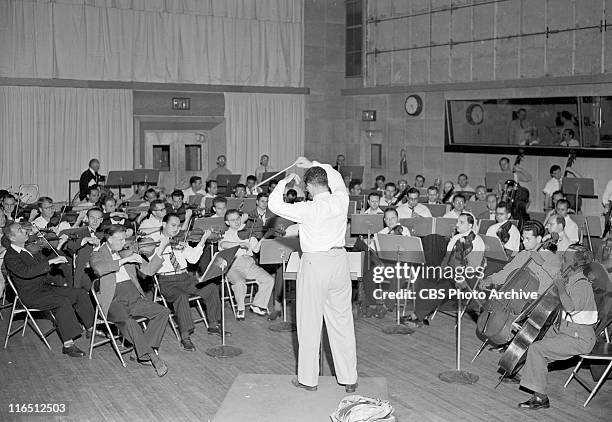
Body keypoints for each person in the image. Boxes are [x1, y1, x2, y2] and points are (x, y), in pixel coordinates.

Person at [268, 157, 358, 393]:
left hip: (315, 264)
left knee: (309, 322)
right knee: (342, 322)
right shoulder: (341, 199)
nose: (305, 191)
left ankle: (308, 379)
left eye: (306, 187)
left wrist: (285, 181)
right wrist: (314, 163)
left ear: (309, 186)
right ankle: (349, 378)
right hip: (340, 262)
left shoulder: (307, 208)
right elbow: (337, 179)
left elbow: (274, 205)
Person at [510, 245, 597, 410]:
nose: (561, 261)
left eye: (565, 259)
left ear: (575, 264)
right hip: (566, 329)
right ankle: (527, 375)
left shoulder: (582, 285)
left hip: (580, 337)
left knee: (537, 349)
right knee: (536, 339)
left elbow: (571, 307)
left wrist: (560, 286)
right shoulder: (570, 278)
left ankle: (540, 398)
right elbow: (554, 273)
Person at [3, 223, 95, 357]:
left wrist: (59, 245)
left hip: (45, 287)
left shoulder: (29, 249)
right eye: (19, 229)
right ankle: (68, 345)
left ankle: (91, 328)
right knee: (62, 302)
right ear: (11, 238)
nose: (24, 230)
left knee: (79, 293)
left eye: (23, 228)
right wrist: (50, 262)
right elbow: (26, 272)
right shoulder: (10, 256)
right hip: (31, 294)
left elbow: (45, 263)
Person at [89, 225, 170, 377]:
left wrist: (160, 250)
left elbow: (149, 271)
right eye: (120, 239)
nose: (124, 242)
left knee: (162, 311)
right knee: (129, 321)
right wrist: (125, 259)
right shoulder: (96, 254)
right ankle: (152, 357)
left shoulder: (127, 251)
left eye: (124, 239)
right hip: (113, 301)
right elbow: (99, 269)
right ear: (109, 239)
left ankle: (138, 351)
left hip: (133, 296)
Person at [148, 214, 226, 351]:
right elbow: (151, 267)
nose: (176, 228)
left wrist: (202, 240)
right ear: (164, 224)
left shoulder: (180, 239)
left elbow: (192, 259)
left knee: (211, 287)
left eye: (178, 226)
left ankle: (213, 325)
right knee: (181, 297)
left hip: (185, 277)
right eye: (173, 225)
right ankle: (185, 337)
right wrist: (162, 246)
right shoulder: (152, 241)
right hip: (167, 281)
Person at [405, 213, 485, 327]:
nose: (457, 225)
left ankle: (417, 316)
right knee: (423, 278)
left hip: (466, 277)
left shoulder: (477, 242)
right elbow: (446, 258)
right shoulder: (456, 238)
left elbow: (473, 266)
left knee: (440, 288)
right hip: (450, 272)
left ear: (470, 225)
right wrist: (441, 271)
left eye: (461, 222)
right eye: (457, 221)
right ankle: (423, 315)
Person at [219, 209, 275, 320]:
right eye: (233, 220)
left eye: (238, 219)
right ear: (227, 222)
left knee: (269, 279)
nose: (236, 222)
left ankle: (257, 305)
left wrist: (264, 237)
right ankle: (240, 308)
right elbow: (223, 244)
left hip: (249, 264)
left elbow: (256, 250)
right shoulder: (224, 234)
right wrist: (240, 243)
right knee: (240, 283)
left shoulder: (247, 233)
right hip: (233, 265)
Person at [484, 221, 561, 295]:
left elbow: (559, 279)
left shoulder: (552, 258)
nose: (523, 242)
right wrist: (491, 279)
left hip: (535, 304)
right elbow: (506, 273)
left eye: (528, 239)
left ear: (538, 239)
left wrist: (542, 263)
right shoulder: (523, 254)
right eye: (523, 238)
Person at [65, 208, 104, 290]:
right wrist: (85, 239)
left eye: (98, 219)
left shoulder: (105, 234)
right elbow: (71, 246)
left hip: (102, 271)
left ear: (101, 220)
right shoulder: (79, 232)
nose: (95, 221)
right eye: (92, 218)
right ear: (87, 218)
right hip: (85, 271)